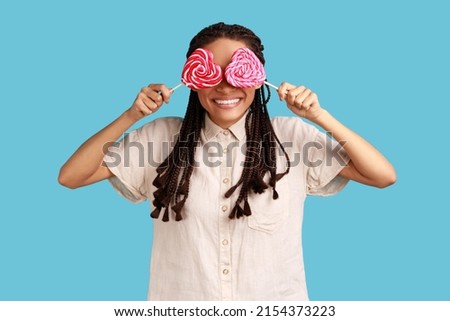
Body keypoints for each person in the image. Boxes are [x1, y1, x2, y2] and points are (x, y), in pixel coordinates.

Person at [58, 22, 396, 300]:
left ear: (259, 77)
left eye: (238, 71)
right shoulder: (160, 137)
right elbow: (71, 176)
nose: (224, 85)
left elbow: (382, 175)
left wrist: (320, 116)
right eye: (211, 72)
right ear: (192, 79)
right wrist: (131, 115)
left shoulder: (292, 137)